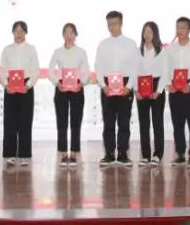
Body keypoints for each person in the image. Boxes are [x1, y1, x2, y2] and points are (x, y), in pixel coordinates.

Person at [93, 10, 139, 167]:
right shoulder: (102, 44)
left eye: (114, 23)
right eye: (109, 24)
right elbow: (98, 66)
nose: (112, 27)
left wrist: (129, 86)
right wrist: (103, 85)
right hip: (107, 86)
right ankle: (109, 154)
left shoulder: (130, 43)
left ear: (121, 24)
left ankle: (123, 154)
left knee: (124, 121)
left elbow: (135, 67)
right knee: (108, 122)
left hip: (125, 85)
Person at [48, 22, 90, 167]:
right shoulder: (57, 52)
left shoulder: (81, 52)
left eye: (71, 32)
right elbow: (50, 70)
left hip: (77, 87)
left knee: (75, 121)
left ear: (76, 34)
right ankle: (63, 153)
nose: (69, 35)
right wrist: (57, 83)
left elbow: (86, 70)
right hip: (61, 88)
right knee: (62, 122)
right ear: (63, 35)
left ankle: (73, 152)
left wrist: (81, 83)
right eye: (66, 32)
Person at [0, 20, 40, 167]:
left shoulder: (31, 49)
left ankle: (24, 155)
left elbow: (35, 70)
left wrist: (28, 85)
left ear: (25, 33)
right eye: (16, 30)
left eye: (21, 31)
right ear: (12, 32)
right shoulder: (6, 49)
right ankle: (9, 154)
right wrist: (6, 85)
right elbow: (3, 70)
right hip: (10, 86)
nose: (19, 33)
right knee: (10, 121)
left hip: (26, 86)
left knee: (25, 121)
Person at [164, 16, 190, 167]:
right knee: (177, 124)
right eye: (178, 27)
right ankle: (180, 154)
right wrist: (169, 84)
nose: (180, 30)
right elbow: (166, 69)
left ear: (189, 30)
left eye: (183, 27)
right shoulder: (170, 49)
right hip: (175, 89)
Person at [134, 21, 166, 166]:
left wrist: (158, 91)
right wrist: (136, 90)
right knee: (144, 123)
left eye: (150, 32)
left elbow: (165, 72)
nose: (147, 34)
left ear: (155, 34)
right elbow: (134, 70)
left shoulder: (161, 51)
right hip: (141, 87)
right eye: (145, 31)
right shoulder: (138, 51)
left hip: (157, 86)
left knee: (157, 123)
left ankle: (157, 154)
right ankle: (145, 155)